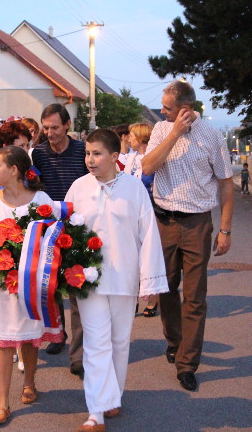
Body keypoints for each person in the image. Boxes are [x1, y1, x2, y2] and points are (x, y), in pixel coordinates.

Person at [66, 129, 168, 432]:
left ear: (114, 156)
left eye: (97, 154)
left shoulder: (134, 189)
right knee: (96, 343)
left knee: (120, 342)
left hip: (125, 277)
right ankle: (95, 412)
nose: (90, 159)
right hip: (88, 280)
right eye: (87, 153)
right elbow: (65, 232)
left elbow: (148, 235)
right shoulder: (78, 187)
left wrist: (149, 281)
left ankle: (114, 396)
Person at [142, 80, 234, 392]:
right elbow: (148, 167)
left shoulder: (212, 136)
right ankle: (175, 341)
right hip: (164, 221)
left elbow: (226, 183)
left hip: (197, 224)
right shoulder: (160, 130)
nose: (162, 111)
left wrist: (225, 229)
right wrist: (174, 133)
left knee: (194, 297)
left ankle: (187, 364)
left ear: (186, 108)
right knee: (166, 288)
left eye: (167, 108)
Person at [0, 146, 63, 426]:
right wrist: (5, 249)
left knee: (31, 335)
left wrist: (31, 254)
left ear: (14, 170)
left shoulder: (41, 200)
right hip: (2, 281)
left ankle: (29, 383)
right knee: (4, 342)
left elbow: (55, 235)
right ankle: (2, 403)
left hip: (33, 281)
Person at [31, 103, 88, 375]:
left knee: (76, 288)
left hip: (78, 226)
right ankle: (57, 333)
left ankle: (79, 352)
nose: (50, 133)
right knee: (50, 285)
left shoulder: (82, 151)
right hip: (50, 227)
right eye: (46, 128)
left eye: (55, 127)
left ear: (67, 125)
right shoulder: (38, 154)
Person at [124, 122, 159, 318]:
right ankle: (134, 298)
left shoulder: (153, 158)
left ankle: (153, 298)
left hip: (151, 211)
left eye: (132, 136)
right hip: (132, 212)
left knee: (149, 256)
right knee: (132, 257)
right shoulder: (131, 158)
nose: (129, 139)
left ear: (141, 138)